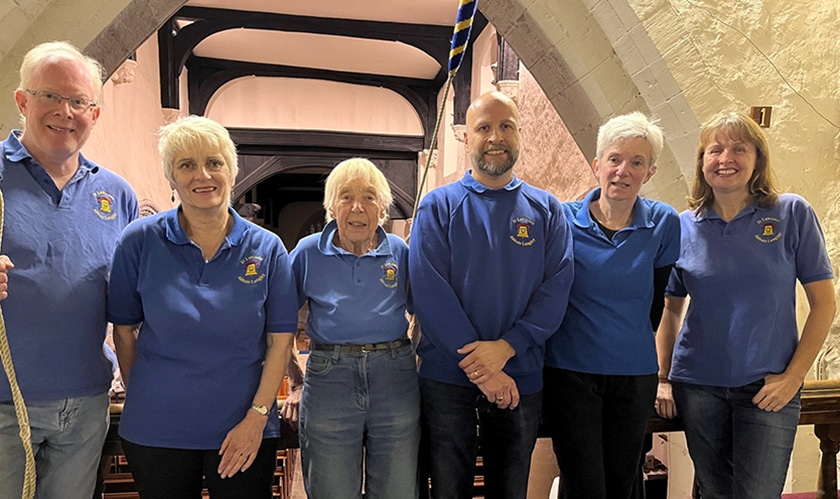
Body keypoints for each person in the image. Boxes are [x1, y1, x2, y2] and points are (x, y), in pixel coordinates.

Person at [107, 116, 298, 498]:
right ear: (171, 177)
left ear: (231, 169)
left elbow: (280, 341)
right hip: (157, 428)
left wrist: (257, 418)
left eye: (214, 162)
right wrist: (145, 396)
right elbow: (124, 331)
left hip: (244, 425)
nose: (202, 175)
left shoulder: (267, 248)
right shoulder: (140, 241)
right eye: (186, 164)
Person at [655, 112, 836, 498]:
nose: (726, 158)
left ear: (758, 159)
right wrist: (664, 378)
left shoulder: (790, 213)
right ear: (702, 161)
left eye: (739, 149)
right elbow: (670, 309)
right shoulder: (683, 226)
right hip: (698, 386)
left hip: (767, 385)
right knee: (716, 494)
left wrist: (793, 377)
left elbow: (823, 303)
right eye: (715, 149)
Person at [409, 91, 574, 499]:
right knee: (449, 489)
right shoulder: (438, 206)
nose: (495, 137)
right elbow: (430, 293)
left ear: (520, 135)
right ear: (468, 138)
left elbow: (556, 289)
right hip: (448, 380)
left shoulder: (547, 210)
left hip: (520, 376)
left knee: (510, 490)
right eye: (484, 127)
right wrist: (483, 369)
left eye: (506, 126)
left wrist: (507, 348)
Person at [0, 41, 138, 499]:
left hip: (85, 403)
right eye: (50, 97)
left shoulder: (117, 196)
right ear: (23, 101)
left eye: (79, 101)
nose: (66, 111)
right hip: (5, 403)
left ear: (94, 113)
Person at [542, 112, 680, 498]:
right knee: (584, 485)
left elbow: (656, 301)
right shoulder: (561, 219)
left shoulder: (663, 223)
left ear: (649, 172)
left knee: (624, 483)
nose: (623, 170)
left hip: (633, 376)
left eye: (637, 162)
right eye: (615, 159)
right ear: (597, 164)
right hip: (570, 374)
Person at [289, 157, 419, 498]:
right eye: (346, 196)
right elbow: (277, 323)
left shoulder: (401, 253)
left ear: (383, 209)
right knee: (331, 490)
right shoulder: (307, 253)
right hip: (329, 377)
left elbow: (424, 315)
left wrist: (415, 363)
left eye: (369, 197)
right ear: (331, 207)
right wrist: (295, 380)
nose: (357, 207)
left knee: (398, 490)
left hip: (394, 377)